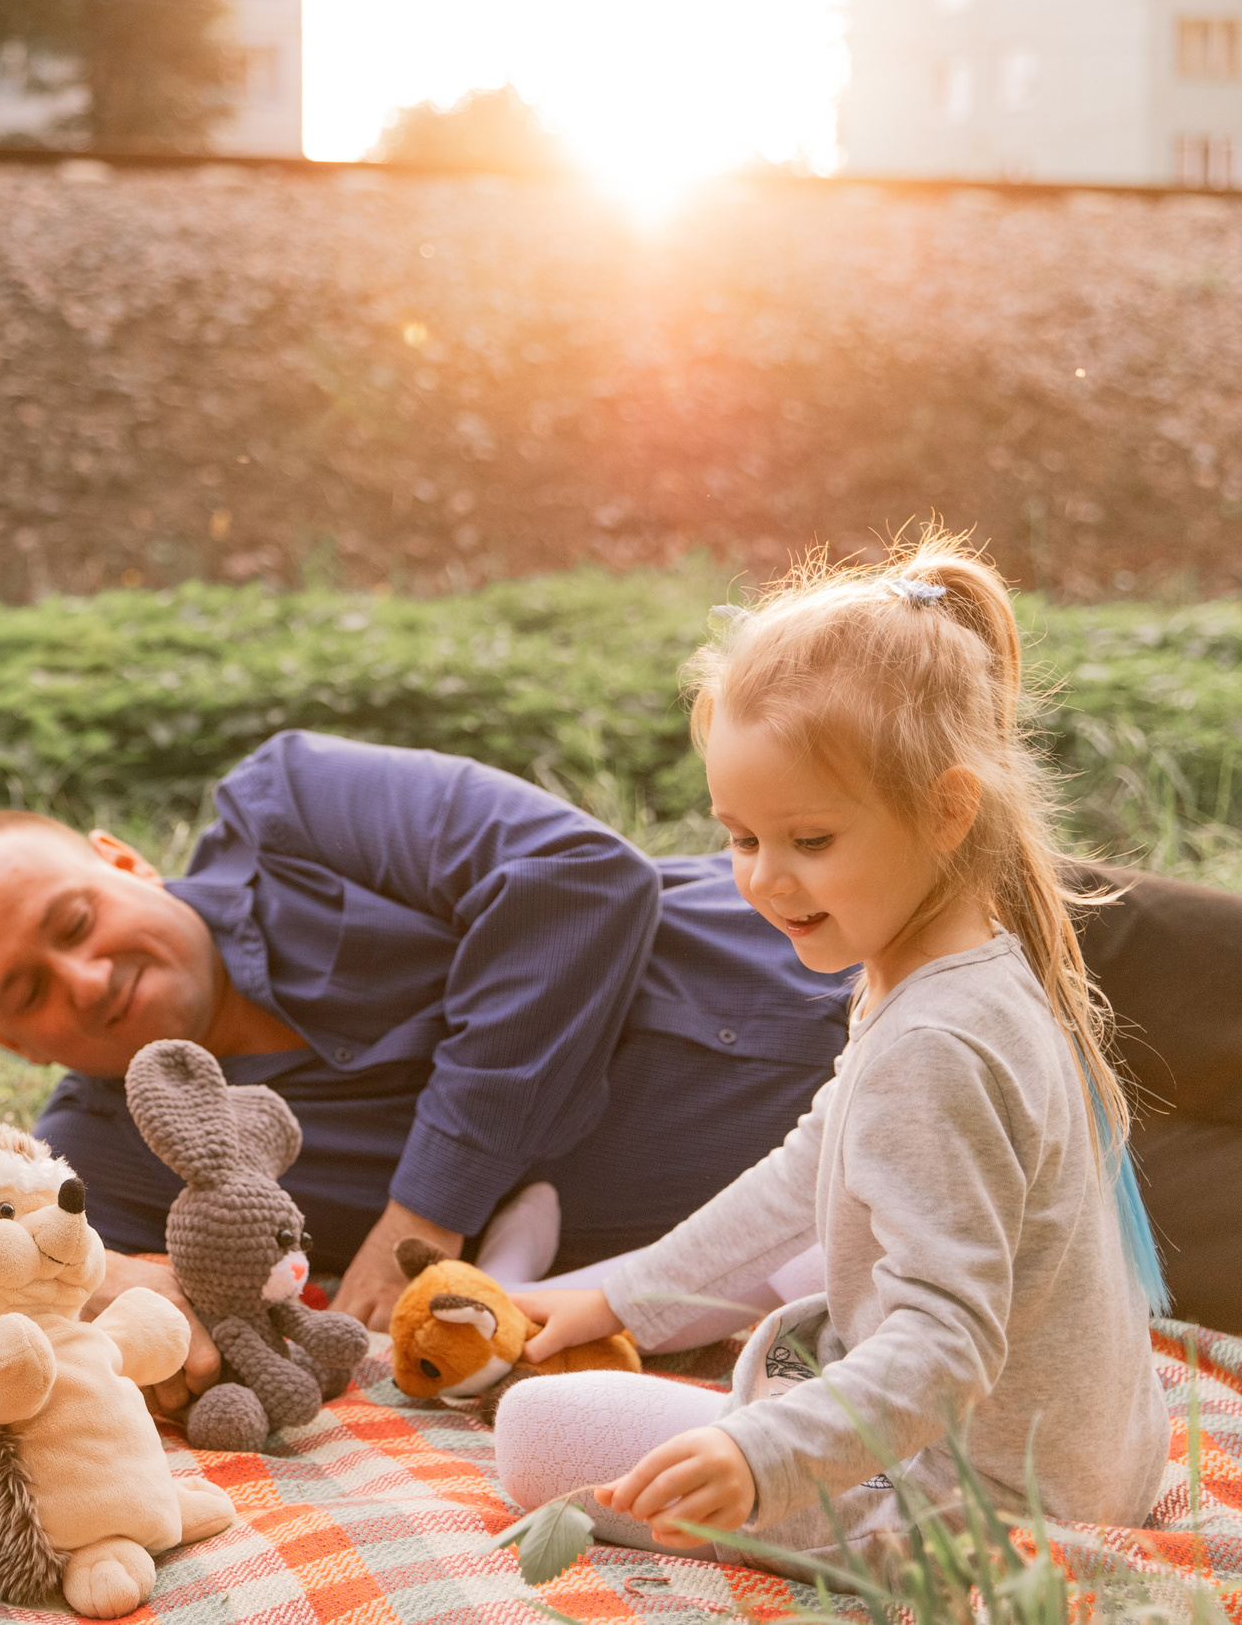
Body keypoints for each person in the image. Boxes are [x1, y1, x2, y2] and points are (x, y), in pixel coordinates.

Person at [0, 752, 1242, 1347]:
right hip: (939, 1198)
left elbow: (573, 874)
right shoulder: (103, 1157)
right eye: (27, 987)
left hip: (949, 939)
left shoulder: (292, 806)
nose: (85, 978)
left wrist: (426, 1208)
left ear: (118, 859)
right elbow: (135, 1303)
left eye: (76, 919)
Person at [493, 537, 1169, 1563]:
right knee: (828, 1231)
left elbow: (945, 1343)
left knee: (535, 1433)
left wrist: (763, 1455)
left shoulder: (936, 1044)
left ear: (948, 811)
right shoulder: (955, 965)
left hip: (984, 1505)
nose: (764, 881)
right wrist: (618, 1293)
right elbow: (813, 1163)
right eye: (740, 838)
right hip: (1090, 1449)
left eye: (808, 841)